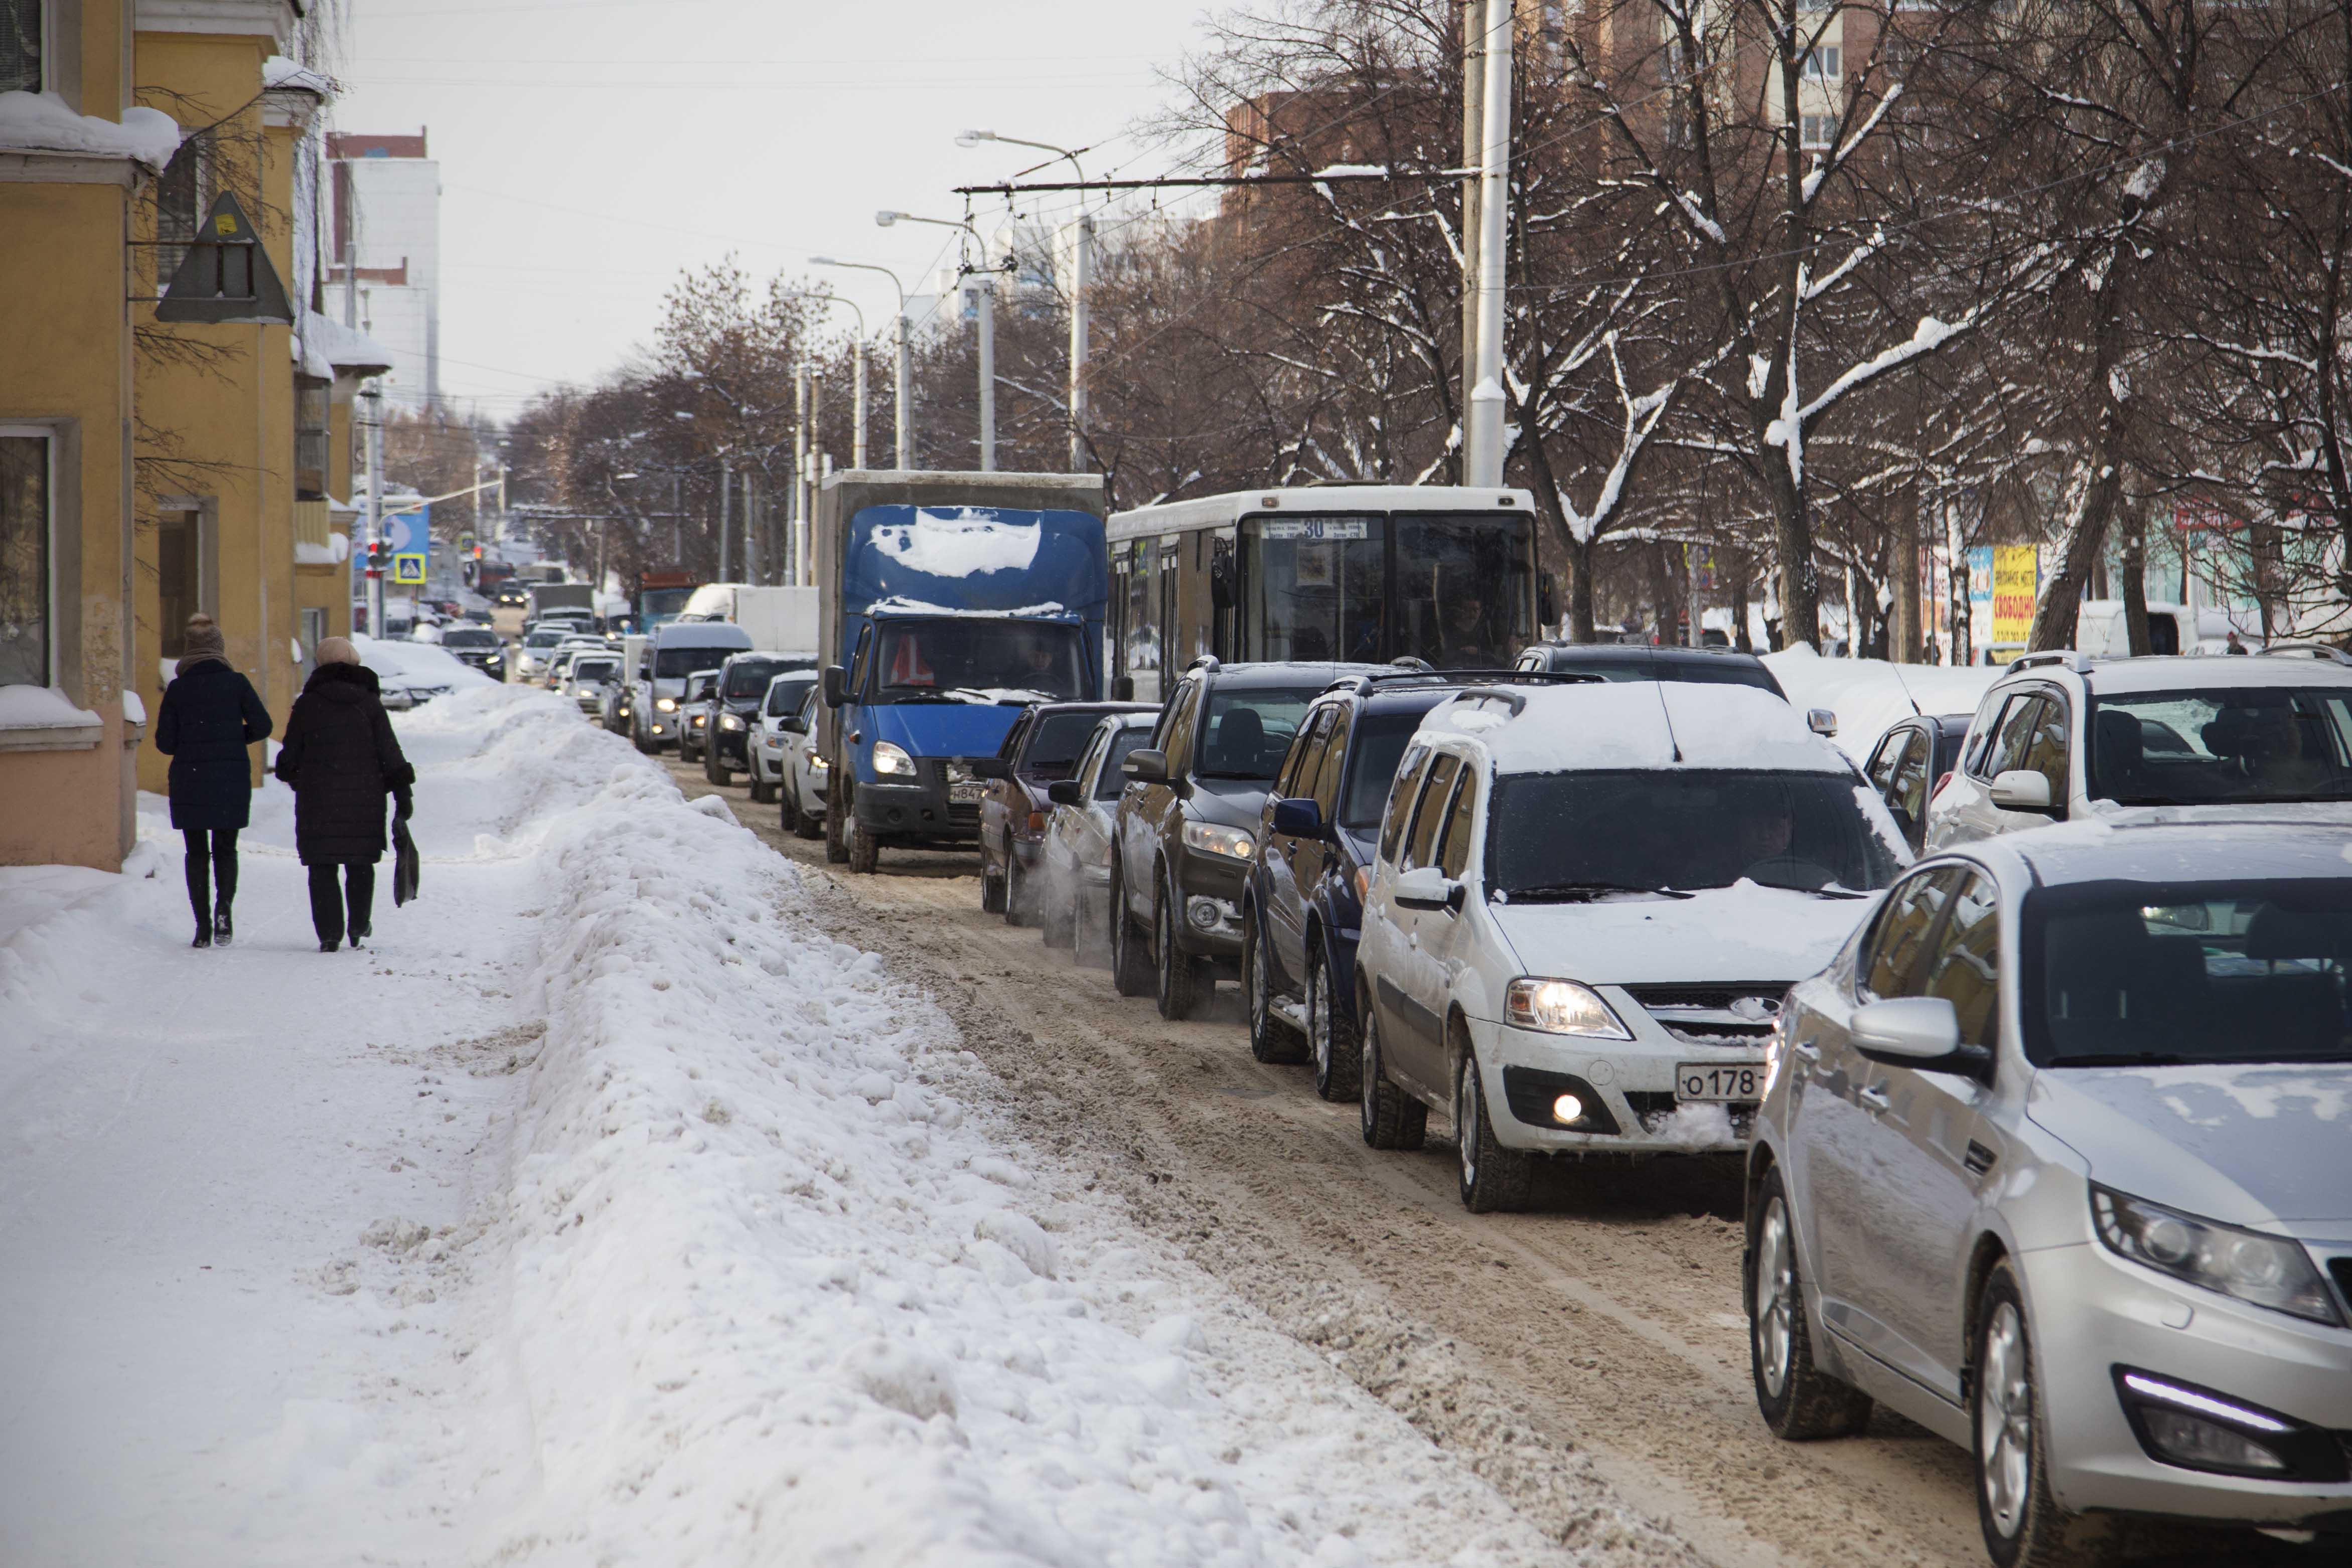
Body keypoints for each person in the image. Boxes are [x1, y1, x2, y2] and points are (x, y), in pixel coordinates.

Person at [274, 637, 414, 952]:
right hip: (364, 800)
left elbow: (288, 760)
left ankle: (329, 934)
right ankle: (358, 925)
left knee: (322, 867)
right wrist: (402, 793)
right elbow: (390, 753)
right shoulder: (369, 703)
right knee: (360, 863)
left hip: (317, 802)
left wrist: (300, 778)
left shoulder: (308, 705)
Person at [153, 613, 271, 948]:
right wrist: (236, 738)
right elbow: (263, 726)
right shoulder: (237, 684)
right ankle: (224, 910)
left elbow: (165, 743)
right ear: (220, 649)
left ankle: (202, 927)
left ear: (189, 652)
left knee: (196, 852)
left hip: (190, 778)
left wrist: (191, 744)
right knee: (225, 849)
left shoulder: (178, 689)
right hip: (230, 776)